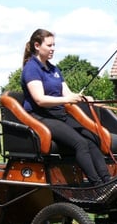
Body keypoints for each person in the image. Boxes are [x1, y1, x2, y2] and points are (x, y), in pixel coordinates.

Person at [21, 28, 111, 186]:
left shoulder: (54, 69)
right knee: (80, 143)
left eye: (54, 45)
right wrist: (66, 99)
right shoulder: (31, 68)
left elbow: (67, 93)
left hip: (58, 115)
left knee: (91, 139)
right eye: (49, 45)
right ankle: (97, 185)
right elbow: (40, 99)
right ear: (37, 45)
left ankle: (108, 181)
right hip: (40, 117)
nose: (53, 49)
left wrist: (83, 98)